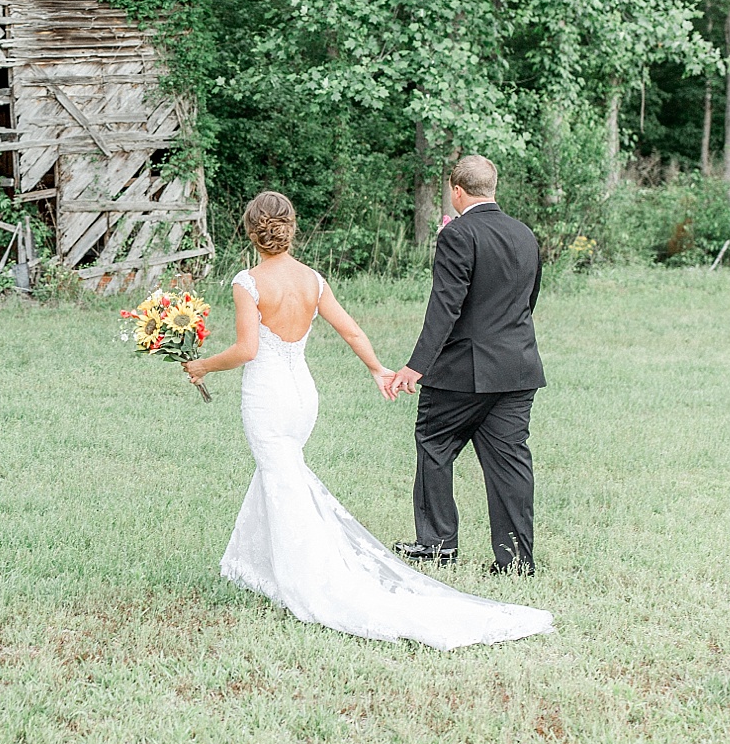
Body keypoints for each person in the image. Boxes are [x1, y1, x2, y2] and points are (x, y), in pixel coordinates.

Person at [181, 190, 552, 650]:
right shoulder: (313, 280)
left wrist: (202, 365)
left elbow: (246, 349)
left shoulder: (247, 282)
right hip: (303, 397)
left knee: (283, 477)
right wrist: (377, 369)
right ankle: (255, 564)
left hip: (268, 396)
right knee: (280, 475)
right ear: (290, 228)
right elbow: (352, 330)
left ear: (251, 232)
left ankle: (306, 578)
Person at [389, 154, 546, 575]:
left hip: (464, 371)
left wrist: (416, 366)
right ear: (493, 187)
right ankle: (516, 561)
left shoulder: (458, 234)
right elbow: (529, 299)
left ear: (456, 191)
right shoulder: (524, 233)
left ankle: (437, 544)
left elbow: (446, 306)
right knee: (510, 462)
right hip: (518, 366)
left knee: (435, 443)